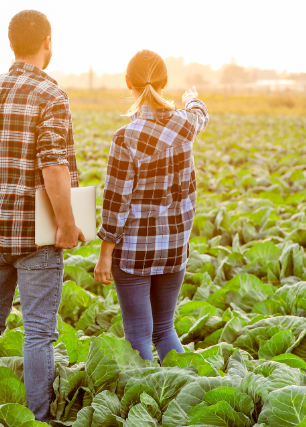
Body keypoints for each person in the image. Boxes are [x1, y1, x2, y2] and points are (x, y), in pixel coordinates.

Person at [0, 9, 83, 422]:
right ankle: (39, 417)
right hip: (35, 235)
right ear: (47, 42)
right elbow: (54, 166)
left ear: (12, 44)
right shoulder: (51, 96)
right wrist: (67, 223)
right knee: (38, 334)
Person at [94, 49, 209, 363]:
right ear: (165, 81)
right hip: (175, 248)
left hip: (134, 252)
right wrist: (191, 98)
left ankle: (147, 394)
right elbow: (201, 114)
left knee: (139, 336)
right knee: (164, 331)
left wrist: (105, 254)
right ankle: (184, 392)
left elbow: (115, 201)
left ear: (128, 82)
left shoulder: (126, 137)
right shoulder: (186, 124)